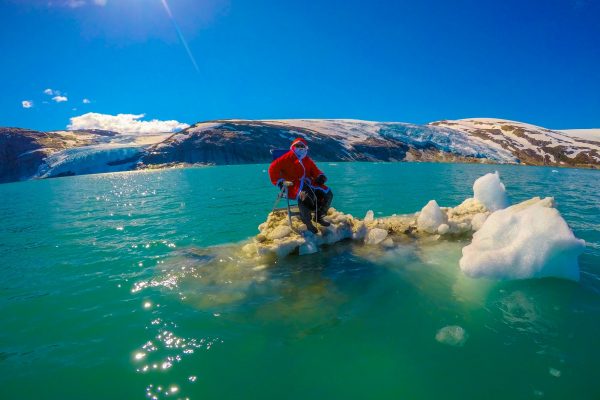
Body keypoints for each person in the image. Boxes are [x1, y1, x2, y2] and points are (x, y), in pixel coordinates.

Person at [268, 138, 333, 234]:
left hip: (308, 183)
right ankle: (307, 221)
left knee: (328, 193)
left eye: (302, 146)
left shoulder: (307, 159)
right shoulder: (286, 158)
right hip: (293, 185)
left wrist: (320, 176)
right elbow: (272, 168)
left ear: (306, 148)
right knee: (304, 197)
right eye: (297, 146)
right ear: (293, 147)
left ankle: (319, 216)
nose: (300, 148)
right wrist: (280, 182)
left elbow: (315, 170)